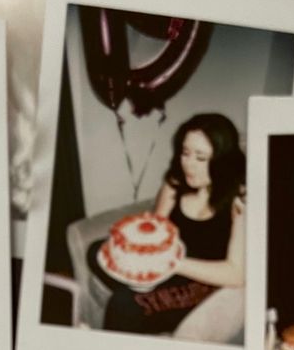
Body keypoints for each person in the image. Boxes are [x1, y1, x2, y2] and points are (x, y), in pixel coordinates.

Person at [102, 112, 246, 337]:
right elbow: (156, 230)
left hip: (203, 283)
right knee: (98, 251)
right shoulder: (176, 183)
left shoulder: (239, 202)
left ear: (223, 161)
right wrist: (137, 247)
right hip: (166, 269)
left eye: (200, 158)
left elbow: (236, 274)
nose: (188, 164)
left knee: (122, 304)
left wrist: (172, 263)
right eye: (185, 153)